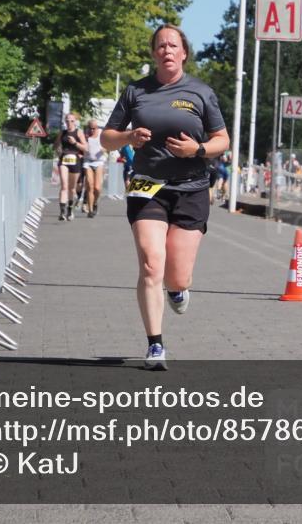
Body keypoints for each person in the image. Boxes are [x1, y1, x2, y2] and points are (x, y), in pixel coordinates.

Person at [101, 25, 229, 370]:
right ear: (153, 53)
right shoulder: (135, 92)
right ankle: (155, 344)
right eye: (160, 45)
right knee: (150, 263)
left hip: (190, 188)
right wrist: (128, 136)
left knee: (177, 276)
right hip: (148, 186)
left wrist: (197, 149)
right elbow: (106, 139)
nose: (167, 50)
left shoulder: (201, 93)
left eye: (173, 45)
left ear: (184, 52)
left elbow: (222, 140)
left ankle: (176, 289)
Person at [56, 113, 86, 221]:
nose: (69, 123)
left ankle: (70, 209)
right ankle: (62, 212)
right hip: (64, 160)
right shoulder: (62, 132)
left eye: (71, 121)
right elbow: (56, 145)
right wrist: (58, 150)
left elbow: (86, 148)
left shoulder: (79, 132)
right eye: (67, 121)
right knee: (64, 186)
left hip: (75, 160)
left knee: (72, 188)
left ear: (75, 122)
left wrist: (75, 143)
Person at [82, 119, 106, 218]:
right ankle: (90, 210)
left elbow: (108, 145)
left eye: (94, 128)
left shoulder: (101, 134)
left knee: (97, 188)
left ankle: (95, 202)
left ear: (97, 127)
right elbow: (81, 146)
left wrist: (104, 149)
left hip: (99, 162)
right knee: (90, 186)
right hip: (88, 162)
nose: (92, 130)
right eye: (90, 128)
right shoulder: (85, 135)